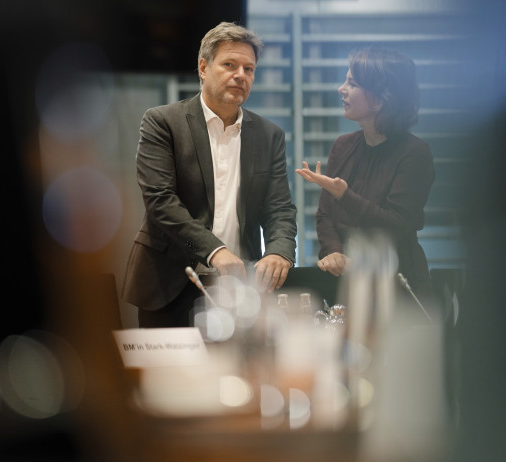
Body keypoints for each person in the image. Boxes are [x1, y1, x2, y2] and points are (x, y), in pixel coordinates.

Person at [122, 22, 298, 328]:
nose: (241, 75)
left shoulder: (270, 135)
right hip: (170, 285)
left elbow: (280, 209)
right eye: (229, 65)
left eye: (249, 69)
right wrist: (215, 251)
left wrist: (279, 251)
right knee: (169, 377)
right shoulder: (162, 122)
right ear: (203, 68)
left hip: (240, 290)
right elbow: (161, 200)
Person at [295, 45, 436, 309]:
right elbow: (325, 215)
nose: (341, 89)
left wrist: (344, 195)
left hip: (398, 287)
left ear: (381, 99)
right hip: (347, 286)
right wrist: (333, 252)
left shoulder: (415, 153)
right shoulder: (343, 145)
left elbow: (397, 224)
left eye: (352, 83)